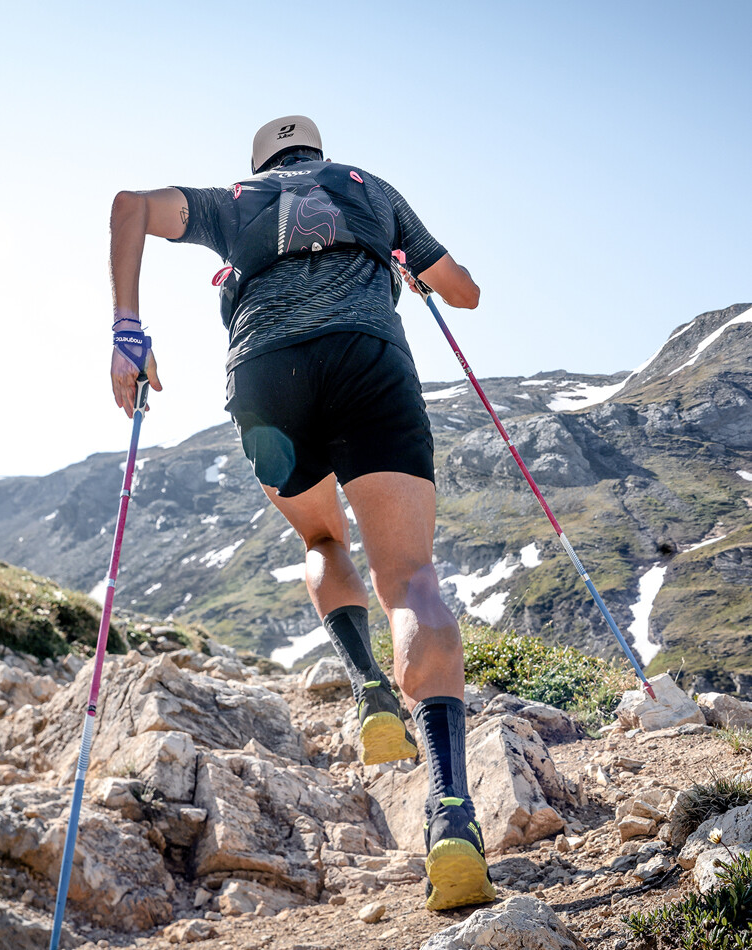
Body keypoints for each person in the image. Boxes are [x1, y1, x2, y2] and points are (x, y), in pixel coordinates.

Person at [108, 115, 496, 912]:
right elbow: (466, 292)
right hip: (369, 360)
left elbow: (129, 205)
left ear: (263, 164)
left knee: (322, 536)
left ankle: (369, 690)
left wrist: (127, 333)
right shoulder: (371, 190)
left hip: (267, 376)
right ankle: (452, 811)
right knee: (412, 579)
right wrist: (413, 273)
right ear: (319, 155)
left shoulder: (235, 201)